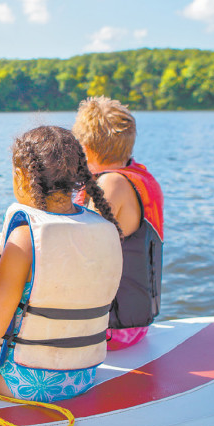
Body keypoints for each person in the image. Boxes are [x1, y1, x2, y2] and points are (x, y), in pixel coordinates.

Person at [0, 126, 122, 403]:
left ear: (21, 177)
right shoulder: (105, 228)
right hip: (83, 377)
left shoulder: (24, 239)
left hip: (20, 382)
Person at [72, 96, 164, 350]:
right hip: (134, 326)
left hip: (110, 329)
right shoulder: (140, 178)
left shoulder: (110, 185)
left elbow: (79, 250)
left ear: (85, 149)